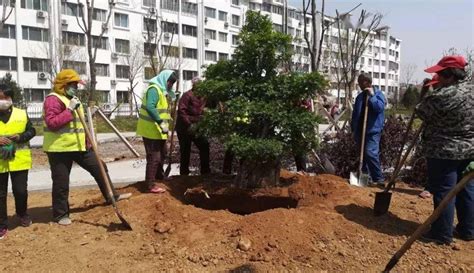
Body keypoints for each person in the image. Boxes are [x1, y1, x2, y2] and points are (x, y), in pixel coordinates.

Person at [43, 69, 131, 226]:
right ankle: (60, 214)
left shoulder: (73, 98)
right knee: (61, 182)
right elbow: (52, 123)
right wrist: (69, 109)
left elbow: (79, 125)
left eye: (77, 84)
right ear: (64, 85)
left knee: (99, 167)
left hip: (79, 146)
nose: (76, 87)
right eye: (74, 84)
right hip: (59, 149)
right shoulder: (53, 100)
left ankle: (111, 196)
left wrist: (88, 142)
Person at [415, 55, 474, 244]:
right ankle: (468, 230)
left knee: (444, 191)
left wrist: (429, 91)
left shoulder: (444, 95)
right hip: (470, 149)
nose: (437, 77)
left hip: (444, 151)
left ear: (449, 75)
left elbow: (421, 111)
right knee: (467, 189)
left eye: (440, 74)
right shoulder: (472, 90)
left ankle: (441, 233)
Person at [0, 85, 36, 239]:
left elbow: (32, 131)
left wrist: (21, 137)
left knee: (20, 191)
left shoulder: (21, 114)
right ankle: (2, 224)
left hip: (19, 160)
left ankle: (22, 214)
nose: (3, 101)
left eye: (5, 98)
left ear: (11, 98)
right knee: (0, 194)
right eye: (0, 98)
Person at [136, 70, 177, 193]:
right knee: (154, 157)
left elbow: (167, 101)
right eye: (170, 82)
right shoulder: (154, 89)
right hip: (150, 130)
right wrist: (160, 122)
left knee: (163, 153)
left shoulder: (161, 90)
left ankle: (159, 176)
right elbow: (150, 107)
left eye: (172, 83)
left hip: (159, 131)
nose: (170, 85)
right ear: (164, 79)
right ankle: (150, 184)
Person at [351, 73, 386, 186]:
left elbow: (379, 108)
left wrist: (372, 97)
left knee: (370, 153)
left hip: (372, 130)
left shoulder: (378, 94)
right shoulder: (360, 97)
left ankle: (378, 178)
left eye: (361, 82)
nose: (359, 84)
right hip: (360, 131)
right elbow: (355, 114)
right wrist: (353, 129)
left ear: (367, 82)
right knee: (362, 155)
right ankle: (365, 178)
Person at [175, 77, 210, 176]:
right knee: (185, 150)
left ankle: (205, 172)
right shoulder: (187, 95)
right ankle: (184, 174)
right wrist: (189, 124)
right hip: (184, 128)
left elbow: (205, 108)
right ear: (194, 86)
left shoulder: (204, 96)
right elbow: (181, 111)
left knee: (204, 145)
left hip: (196, 126)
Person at [418, 75, 440, 200]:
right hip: (431, 138)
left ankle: (431, 188)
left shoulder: (441, 97)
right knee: (431, 164)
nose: (435, 86)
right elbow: (420, 109)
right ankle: (429, 186)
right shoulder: (433, 97)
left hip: (440, 139)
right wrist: (423, 91)